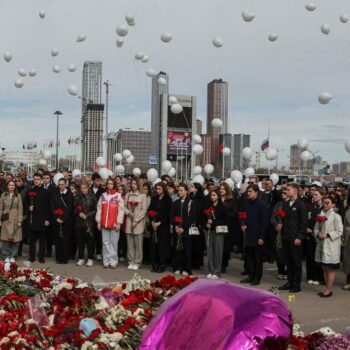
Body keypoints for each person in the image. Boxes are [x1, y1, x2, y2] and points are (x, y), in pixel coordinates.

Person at [278, 183, 307, 293]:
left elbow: (303, 223)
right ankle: (289, 282)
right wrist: (280, 223)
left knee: (296, 263)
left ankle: (296, 284)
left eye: (288, 190)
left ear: (295, 191)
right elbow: (283, 217)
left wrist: (299, 237)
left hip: (295, 239)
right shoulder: (286, 204)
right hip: (286, 237)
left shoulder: (301, 205)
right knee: (288, 262)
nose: (285, 191)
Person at [240, 184, 269, 286]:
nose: (248, 193)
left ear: (256, 192)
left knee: (257, 258)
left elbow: (264, 223)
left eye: (251, 191)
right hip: (248, 234)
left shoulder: (262, 205)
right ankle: (251, 275)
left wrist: (262, 237)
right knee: (249, 257)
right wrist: (242, 224)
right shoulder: (245, 203)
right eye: (247, 191)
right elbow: (242, 215)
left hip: (257, 235)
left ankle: (257, 277)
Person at [314, 197, 343, 297]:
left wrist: (327, 235)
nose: (325, 204)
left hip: (331, 245)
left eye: (328, 203)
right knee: (324, 267)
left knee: (330, 268)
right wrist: (317, 234)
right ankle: (327, 287)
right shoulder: (320, 215)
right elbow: (316, 227)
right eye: (324, 202)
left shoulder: (336, 216)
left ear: (333, 205)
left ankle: (329, 290)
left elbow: (339, 231)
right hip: (322, 245)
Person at [96, 178, 124, 268]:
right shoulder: (103, 196)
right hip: (104, 223)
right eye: (108, 183)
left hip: (114, 224)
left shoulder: (118, 196)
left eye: (111, 184)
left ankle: (113, 261)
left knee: (114, 243)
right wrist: (98, 221)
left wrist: (119, 222)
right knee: (105, 242)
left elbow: (121, 210)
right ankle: (106, 261)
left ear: (114, 185)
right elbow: (99, 209)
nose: (109, 185)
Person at [171, 183, 197, 276]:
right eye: (179, 190)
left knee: (186, 249)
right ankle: (177, 267)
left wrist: (184, 228)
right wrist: (176, 226)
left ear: (186, 191)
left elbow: (192, 218)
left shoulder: (191, 203)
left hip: (186, 231)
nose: (180, 192)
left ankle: (186, 268)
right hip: (177, 230)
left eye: (182, 190)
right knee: (177, 249)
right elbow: (172, 216)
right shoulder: (176, 203)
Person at [25, 173, 51, 263]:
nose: (36, 181)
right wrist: (29, 207)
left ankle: (41, 257)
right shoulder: (29, 191)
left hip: (42, 219)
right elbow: (25, 203)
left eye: (38, 179)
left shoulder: (46, 192)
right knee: (32, 240)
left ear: (41, 180)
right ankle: (31, 257)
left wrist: (48, 219)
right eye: (35, 179)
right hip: (32, 219)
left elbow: (49, 207)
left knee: (42, 240)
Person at [148, 182, 172, 273]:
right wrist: (153, 222)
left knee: (162, 245)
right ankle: (154, 263)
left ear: (163, 189)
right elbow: (150, 210)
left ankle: (162, 264)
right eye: (157, 189)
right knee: (154, 245)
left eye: (159, 189)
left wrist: (160, 223)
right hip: (154, 225)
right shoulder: (154, 198)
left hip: (163, 226)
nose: (158, 191)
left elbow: (167, 213)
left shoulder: (167, 199)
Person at [124, 178, 148, 270]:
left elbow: (144, 210)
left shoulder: (143, 196)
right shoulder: (127, 195)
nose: (133, 185)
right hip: (129, 220)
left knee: (138, 243)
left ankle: (137, 262)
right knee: (129, 242)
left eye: (135, 184)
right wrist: (129, 213)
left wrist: (136, 220)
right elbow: (124, 207)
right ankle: (130, 261)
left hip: (138, 222)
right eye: (132, 184)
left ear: (138, 185)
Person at [205, 189, 228, 279]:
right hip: (209, 230)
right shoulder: (208, 206)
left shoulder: (222, 207)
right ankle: (211, 270)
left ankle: (217, 272)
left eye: (214, 195)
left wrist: (214, 222)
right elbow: (203, 217)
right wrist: (206, 223)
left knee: (218, 251)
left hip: (218, 230)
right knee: (210, 251)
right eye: (211, 195)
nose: (212, 197)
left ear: (218, 196)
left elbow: (225, 220)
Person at [51, 178, 74, 264]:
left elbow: (70, 208)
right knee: (58, 240)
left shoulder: (70, 195)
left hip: (66, 221)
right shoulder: (55, 194)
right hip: (57, 220)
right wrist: (56, 217)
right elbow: (52, 206)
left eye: (62, 184)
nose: (61, 186)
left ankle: (65, 258)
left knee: (65, 239)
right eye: (59, 184)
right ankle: (58, 257)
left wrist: (63, 219)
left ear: (66, 184)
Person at [305, 188, 325, 285]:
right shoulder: (311, 207)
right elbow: (306, 219)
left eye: (316, 194)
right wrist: (306, 228)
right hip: (309, 235)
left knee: (318, 258)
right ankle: (310, 276)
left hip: (319, 236)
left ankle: (319, 278)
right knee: (309, 257)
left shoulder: (324, 208)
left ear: (321, 195)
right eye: (313, 195)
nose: (314, 196)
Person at [74, 181, 97, 267]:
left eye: (85, 188)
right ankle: (81, 258)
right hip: (79, 222)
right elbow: (74, 208)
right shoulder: (77, 197)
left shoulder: (92, 197)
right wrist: (79, 213)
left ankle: (90, 259)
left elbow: (96, 209)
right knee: (80, 241)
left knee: (90, 242)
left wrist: (87, 215)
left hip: (89, 222)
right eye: (82, 188)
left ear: (88, 188)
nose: (83, 190)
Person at [0, 180, 23, 262]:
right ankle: (5, 255)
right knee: (5, 238)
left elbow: (20, 209)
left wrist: (20, 220)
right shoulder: (3, 195)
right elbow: (1, 208)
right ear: (7, 186)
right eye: (10, 185)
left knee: (16, 239)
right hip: (5, 218)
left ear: (15, 186)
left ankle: (13, 255)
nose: (12, 186)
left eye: (13, 185)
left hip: (15, 218)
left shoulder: (18, 196)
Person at [261, 179, 281, 263]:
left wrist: (272, 188)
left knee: (271, 240)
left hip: (271, 220)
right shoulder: (262, 194)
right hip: (263, 219)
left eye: (269, 184)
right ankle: (265, 255)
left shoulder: (274, 193)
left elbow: (278, 197)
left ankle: (271, 256)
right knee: (264, 239)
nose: (267, 185)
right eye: (266, 184)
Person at [219, 182, 238, 273]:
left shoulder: (231, 200)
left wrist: (224, 213)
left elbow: (234, 213)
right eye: (220, 189)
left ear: (227, 190)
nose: (221, 190)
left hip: (227, 226)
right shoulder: (217, 199)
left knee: (225, 247)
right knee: (218, 246)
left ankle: (224, 265)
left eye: (223, 189)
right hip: (217, 225)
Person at [190, 183, 206, 270]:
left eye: (192, 187)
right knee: (192, 243)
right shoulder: (191, 197)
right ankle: (192, 261)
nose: (191, 188)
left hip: (198, 222)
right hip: (192, 221)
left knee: (197, 244)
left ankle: (197, 262)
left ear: (196, 189)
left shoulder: (200, 198)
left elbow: (200, 211)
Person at [90, 173, 105, 261]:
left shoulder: (103, 191)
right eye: (97, 181)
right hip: (90, 216)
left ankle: (98, 252)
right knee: (91, 236)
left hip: (100, 216)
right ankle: (91, 253)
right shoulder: (89, 190)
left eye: (99, 181)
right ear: (93, 181)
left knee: (99, 235)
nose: (98, 182)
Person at [142, 182, 152, 265]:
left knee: (147, 240)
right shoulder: (141, 197)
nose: (144, 190)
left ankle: (148, 258)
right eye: (143, 189)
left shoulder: (150, 198)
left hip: (148, 221)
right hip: (141, 220)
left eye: (146, 189)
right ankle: (143, 257)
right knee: (141, 241)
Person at [117, 184, 128, 262]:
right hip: (117, 220)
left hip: (124, 220)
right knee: (117, 239)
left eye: (121, 189)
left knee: (123, 239)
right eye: (119, 189)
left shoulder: (126, 198)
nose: (120, 191)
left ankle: (123, 255)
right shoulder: (116, 197)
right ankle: (117, 254)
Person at [343, 204, 350, 291]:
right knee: (348, 260)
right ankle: (348, 282)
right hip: (348, 237)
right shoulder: (348, 210)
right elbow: (345, 224)